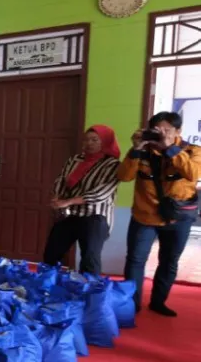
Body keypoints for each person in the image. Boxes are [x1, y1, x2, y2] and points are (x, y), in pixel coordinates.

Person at [118, 111, 201, 316]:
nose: (162, 134)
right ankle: (132, 304)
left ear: (179, 131)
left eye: (167, 130)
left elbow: (193, 173)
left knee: (169, 261)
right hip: (145, 216)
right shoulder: (143, 151)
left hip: (178, 218)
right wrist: (136, 149)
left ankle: (158, 302)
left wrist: (170, 149)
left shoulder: (192, 151)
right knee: (135, 260)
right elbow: (124, 176)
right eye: (158, 130)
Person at [42, 126, 121, 274]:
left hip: (95, 216)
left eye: (94, 140)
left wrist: (68, 201)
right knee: (51, 253)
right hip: (70, 214)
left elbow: (101, 193)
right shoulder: (75, 159)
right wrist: (56, 196)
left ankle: (90, 292)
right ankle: (49, 287)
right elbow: (61, 179)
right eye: (86, 140)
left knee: (89, 258)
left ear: (105, 142)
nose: (89, 143)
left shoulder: (112, 164)